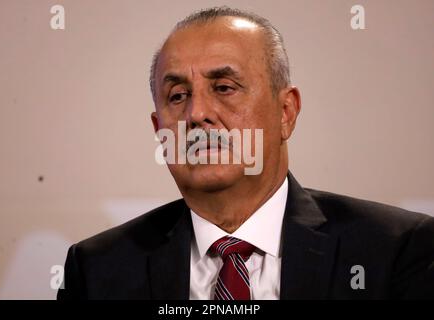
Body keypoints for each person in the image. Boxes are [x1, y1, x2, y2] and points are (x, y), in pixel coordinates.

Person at [57, 6, 434, 300]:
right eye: (177, 95)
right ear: (159, 131)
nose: (197, 114)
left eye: (224, 87)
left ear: (286, 112)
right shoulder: (97, 269)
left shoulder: (395, 250)